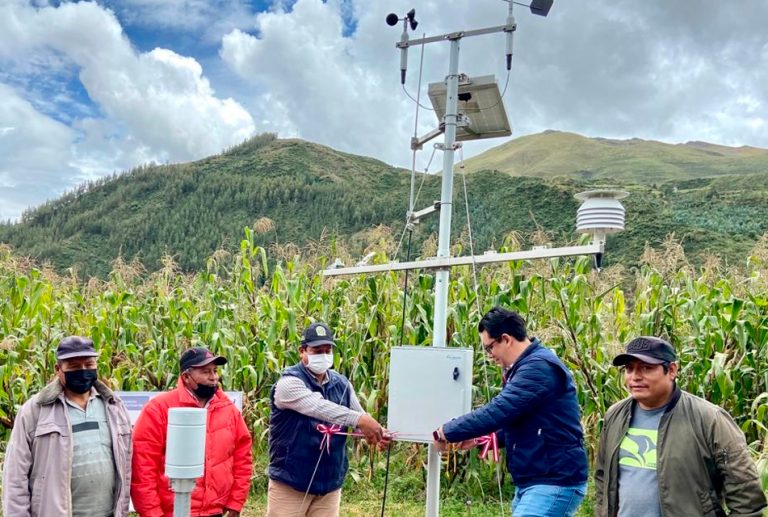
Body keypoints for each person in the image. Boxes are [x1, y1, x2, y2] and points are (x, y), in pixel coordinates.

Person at [433, 307, 588, 516]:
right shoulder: (524, 367)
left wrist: (445, 431)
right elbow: (523, 424)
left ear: (505, 339)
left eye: (489, 348)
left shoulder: (537, 368)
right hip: (537, 480)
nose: (490, 356)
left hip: (553, 481)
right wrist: (481, 439)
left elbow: (498, 411)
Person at [595, 336, 767, 516]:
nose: (635, 377)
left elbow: (746, 495)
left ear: (671, 370)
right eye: (629, 369)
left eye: (646, 368)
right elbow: (603, 478)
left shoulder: (710, 419)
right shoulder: (615, 415)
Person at [267, 322, 390, 517]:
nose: (324, 356)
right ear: (302, 351)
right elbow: (319, 407)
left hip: (329, 485)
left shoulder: (342, 383)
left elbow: (359, 418)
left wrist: (378, 433)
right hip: (291, 483)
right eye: (317, 350)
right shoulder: (288, 384)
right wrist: (361, 421)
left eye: (328, 350)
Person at [2, 336, 133, 517]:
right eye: (74, 366)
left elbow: (126, 467)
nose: (83, 370)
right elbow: (15, 478)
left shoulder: (114, 406)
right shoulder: (34, 411)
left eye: (89, 364)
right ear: (58, 369)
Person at [131, 347, 252, 517]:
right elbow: (143, 466)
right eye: (205, 371)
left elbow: (242, 458)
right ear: (186, 377)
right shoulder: (158, 409)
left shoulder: (228, 409)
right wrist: (152, 512)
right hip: (172, 511)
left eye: (215, 371)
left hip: (214, 510)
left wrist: (236, 501)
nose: (213, 377)